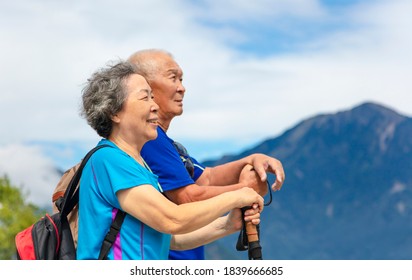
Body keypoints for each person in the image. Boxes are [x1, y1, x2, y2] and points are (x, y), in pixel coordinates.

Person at [76, 60, 263, 260]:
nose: (155, 106)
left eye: (153, 97)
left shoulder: (138, 165)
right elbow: (172, 219)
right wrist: (238, 195)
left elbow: (171, 238)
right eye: (145, 98)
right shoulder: (109, 159)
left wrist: (227, 225)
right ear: (114, 112)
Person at [127, 49, 285, 260]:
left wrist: (251, 160)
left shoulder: (166, 144)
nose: (182, 88)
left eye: (182, 79)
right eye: (173, 78)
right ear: (145, 87)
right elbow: (188, 197)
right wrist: (245, 190)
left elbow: (207, 177)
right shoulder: (149, 140)